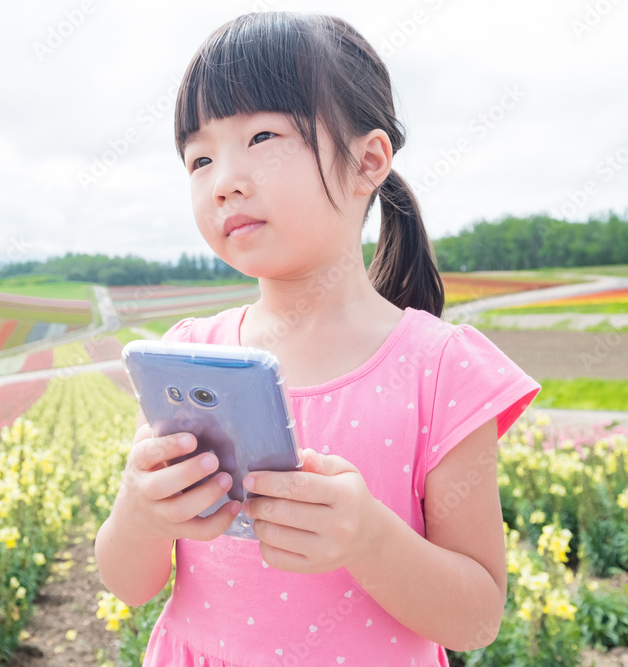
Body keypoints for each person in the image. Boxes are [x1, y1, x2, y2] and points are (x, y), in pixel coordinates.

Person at [95, 11, 540, 666]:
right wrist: (141, 510)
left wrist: (368, 540)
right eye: (200, 157)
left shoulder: (441, 368)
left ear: (367, 160)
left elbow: (476, 616)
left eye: (264, 134)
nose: (225, 181)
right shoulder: (191, 355)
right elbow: (127, 583)